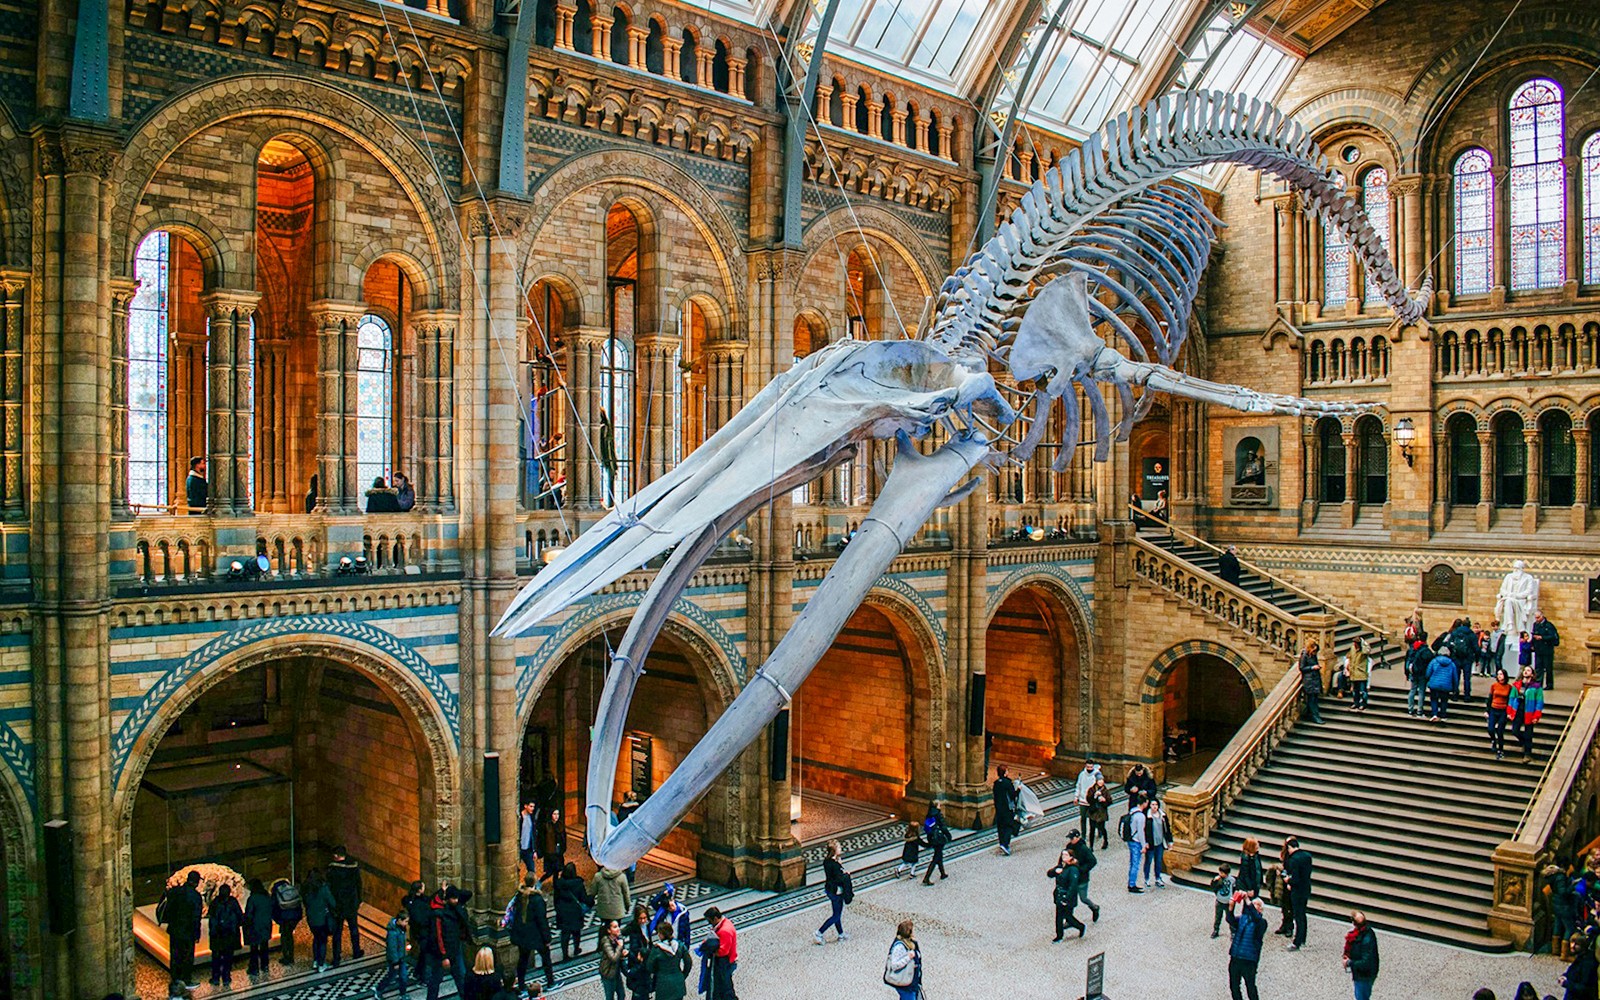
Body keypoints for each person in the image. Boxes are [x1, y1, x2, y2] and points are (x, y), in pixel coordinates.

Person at [505, 874, 554, 991]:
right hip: (536, 935)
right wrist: (547, 938)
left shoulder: (519, 896)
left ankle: (521, 984)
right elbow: (542, 920)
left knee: (523, 959)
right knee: (546, 958)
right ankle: (550, 982)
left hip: (522, 934)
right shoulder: (537, 899)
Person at [423, 884, 473, 1000]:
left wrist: (449, 891)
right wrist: (444, 956)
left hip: (455, 949)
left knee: (461, 977)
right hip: (441, 953)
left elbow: (468, 894)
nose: (456, 900)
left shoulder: (456, 907)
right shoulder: (439, 914)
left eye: (457, 898)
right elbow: (438, 936)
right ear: (447, 899)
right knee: (436, 979)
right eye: (453, 898)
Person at [159, 871, 204, 989]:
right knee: (187, 956)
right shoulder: (195, 896)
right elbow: (196, 917)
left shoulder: (175, 891)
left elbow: (168, 907)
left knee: (175, 955)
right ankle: (186, 979)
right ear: (196, 882)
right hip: (188, 931)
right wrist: (197, 933)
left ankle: (175, 978)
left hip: (175, 928)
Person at [1225, 892, 1267, 1000]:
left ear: (1260, 910)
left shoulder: (1262, 923)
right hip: (1236, 956)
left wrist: (1248, 900)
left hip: (1249, 960)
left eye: (1255, 905)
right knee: (1234, 986)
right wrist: (1231, 907)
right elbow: (1231, 920)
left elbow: (1256, 918)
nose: (1252, 906)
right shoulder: (1242, 918)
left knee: (1250, 987)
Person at [327, 845, 364, 966]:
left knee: (337, 932)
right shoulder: (353, 867)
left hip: (338, 905)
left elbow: (330, 888)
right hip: (351, 903)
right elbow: (359, 884)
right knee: (354, 928)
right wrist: (359, 899)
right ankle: (356, 951)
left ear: (337, 856)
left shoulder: (333, 870)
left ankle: (337, 957)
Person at [815, 839, 853, 944]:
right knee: (836, 915)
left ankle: (841, 934)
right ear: (834, 850)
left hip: (830, 889)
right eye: (839, 847)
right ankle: (819, 932)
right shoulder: (834, 865)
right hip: (836, 891)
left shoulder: (827, 862)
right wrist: (846, 874)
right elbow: (838, 878)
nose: (841, 849)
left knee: (837, 913)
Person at [207, 882, 244, 987]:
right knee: (228, 957)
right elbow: (240, 917)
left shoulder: (215, 903)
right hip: (230, 934)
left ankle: (215, 977)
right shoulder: (233, 902)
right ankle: (226, 977)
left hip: (217, 935)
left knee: (216, 957)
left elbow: (212, 918)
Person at [553, 862, 592, 959]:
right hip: (575, 912)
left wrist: (558, 909)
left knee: (565, 934)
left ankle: (565, 954)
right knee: (576, 932)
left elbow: (555, 899)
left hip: (563, 912)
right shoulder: (578, 883)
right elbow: (583, 898)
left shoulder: (559, 884)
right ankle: (576, 949)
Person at [646, 921, 693, 1000]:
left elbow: (649, 966)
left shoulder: (657, 949)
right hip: (678, 980)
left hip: (663, 982)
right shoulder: (680, 946)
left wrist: (657, 971)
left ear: (661, 934)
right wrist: (683, 975)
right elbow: (688, 962)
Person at [1046, 848, 1087, 940]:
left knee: (1068, 917)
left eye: (1066, 855)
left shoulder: (1073, 869)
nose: (1063, 857)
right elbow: (1049, 874)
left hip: (1068, 897)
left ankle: (1080, 926)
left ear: (1071, 857)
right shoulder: (1060, 867)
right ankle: (1059, 935)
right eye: (1062, 855)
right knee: (1059, 917)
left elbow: (1073, 885)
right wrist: (1055, 871)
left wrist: (1067, 898)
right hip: (1059, 895)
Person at [302, 868, 337, 972]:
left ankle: (316, 961)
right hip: (322, 919)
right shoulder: (323, 888)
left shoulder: (305, 888)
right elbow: (332, 902)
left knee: (316, 938)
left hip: (311, 919)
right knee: (322, 941)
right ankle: (321, 964)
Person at [590, 866, 633, 950]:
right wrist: (627, 906)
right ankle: (615, 946)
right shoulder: (622, 877)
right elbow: (626, 894)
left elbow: (592, 892)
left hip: (604, 909)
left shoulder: (598, 876)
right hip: (617, 909)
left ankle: (602, 945)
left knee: (604, 928)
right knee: (616, 929)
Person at [1282, 836, 1313, 950]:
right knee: (1302, 914)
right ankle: (1302, 937)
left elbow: (1295, 878)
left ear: (1290, 847)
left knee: (1298, 915)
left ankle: (1297, 941)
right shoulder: (1307, 856)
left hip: (1297, 890)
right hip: (1306, 888)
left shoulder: (1293, 859)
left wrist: (1288, 880)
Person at [1511, 664, 1545, 763]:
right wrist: (1510, 711)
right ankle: (1524, 743)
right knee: (1515, 730)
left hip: (1529, 711)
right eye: (1525, 670)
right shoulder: (1517, 684)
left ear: (1532, 674)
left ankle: (1527, 754)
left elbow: (1539, 702)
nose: (1525, 672)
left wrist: (1537, 715)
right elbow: (1512, 698)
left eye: (1528, 670)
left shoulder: (1536, 687)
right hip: (1519, 710)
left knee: (1528, 733)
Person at [1065, 829, 1101, 922]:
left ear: (1078, 837)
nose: (1071, 840)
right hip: (1072, 877)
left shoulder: (1084, 849)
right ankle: (1069, 919)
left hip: (1082, 878)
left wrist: (1082, 869)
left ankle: (1094, 907)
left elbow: (1092, 861)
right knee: (1071, 898)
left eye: (1072, 838)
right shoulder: (1069, 847)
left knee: (1083, 898)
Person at [704, 907, 739, 1000]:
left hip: (724, 962)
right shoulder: (725, 923)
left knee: (725, 986)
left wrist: (711, 951)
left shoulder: (724, 931)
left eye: (710, 921)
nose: (709, 924)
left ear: (715, 918)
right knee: (724, 984)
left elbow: (723, 952)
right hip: (728, 960)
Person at [1343, 911, 1379, 1000]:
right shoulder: (1366, 933)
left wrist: (1349, 962)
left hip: (1364, 975)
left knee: (1361, 997)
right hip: (1365, 973)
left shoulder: (1363, 938)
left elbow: (1365, 962)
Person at [374, 911, 410, 999]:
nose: (407, 924)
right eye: (405, 921)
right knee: (391, 977)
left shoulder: (401, 929)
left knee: (403, 977)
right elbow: (392, 948)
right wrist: (395, 962)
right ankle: (379, 989)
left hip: (401, 958)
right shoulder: (392, 933)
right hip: (395, 960)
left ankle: (403, 994)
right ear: (399, 920)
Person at [1547, 863, 1579, 960]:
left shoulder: (1553, 876)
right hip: (1563, 905)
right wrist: (1572, 886)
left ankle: (1555, 949)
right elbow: (1563, 892)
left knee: (1558, 924)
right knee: (1569, 928)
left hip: (1556, 903)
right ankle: (1565, 954)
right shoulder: (1560, 877)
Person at [269, 876, 303, 967]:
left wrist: (277, 920)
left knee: (284, 937)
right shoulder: (291, 889)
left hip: (284, 918)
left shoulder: (276, 892)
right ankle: (291, 956)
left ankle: (286, 957)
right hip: (294, 917)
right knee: (290, 936)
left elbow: (273, 907)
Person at [243, 877, 274, 976]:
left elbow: (249, 913)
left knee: (254, 948)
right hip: (266, 924)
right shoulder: (266, 896)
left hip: (255, 926)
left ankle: (254, 968)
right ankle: (265, 965)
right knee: (264, 946)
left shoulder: (253, 898)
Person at [883, 919, 921, 1000]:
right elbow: (894, 965)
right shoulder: (899, 946)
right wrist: (908, 957)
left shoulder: (910, 943)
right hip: (905, 983)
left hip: (911, 982)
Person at [403, 879, 432, 979]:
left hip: (420, 931)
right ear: (419, 890)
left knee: (423, 953)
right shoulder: (416, 904)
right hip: (422, 932)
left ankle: (418, 972)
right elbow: (419, 919)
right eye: (423, 887)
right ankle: (422, 976)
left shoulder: (416, 900)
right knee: (424, 953)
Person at [624, 904, 653, 1000]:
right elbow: (634, 947)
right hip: (638, 959)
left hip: (646, 958)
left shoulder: (647, 925)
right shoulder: (633, 929)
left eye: (645, 918)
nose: (643, 921)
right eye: (640, 918)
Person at [920, 803, 951, 885]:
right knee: (936, 858)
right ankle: (926, 878)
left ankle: (942, 873)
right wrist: (948, 835)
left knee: (939, 855)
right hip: (939, 838)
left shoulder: (929, 814)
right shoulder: (938, 814)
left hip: (932, 838)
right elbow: (943, 827)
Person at [1425, 648, 1458, 722]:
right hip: (1446, 685)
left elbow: (1428, 673)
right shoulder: (1452, 664)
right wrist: (1455, 688)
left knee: (1434, 699)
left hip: (1434, 684)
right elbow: (1455, 677)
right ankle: (1443, 715)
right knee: (1444, 700)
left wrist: (1428, 680)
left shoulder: (1434, 661)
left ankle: (1434, 714)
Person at [1562, 933, 1598, 1000]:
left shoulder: (1588, 963)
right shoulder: (1579, 959)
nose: (1572, 946)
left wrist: (1566, 983)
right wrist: (1564, 976)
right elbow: (1570, 972)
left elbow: (1584, 988)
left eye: (1576, 944)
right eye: (1572, 942)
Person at [993, 764, 1020, 855]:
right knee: (1008, 826)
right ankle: (1005, 844)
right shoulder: (1008, 783)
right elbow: (1012, 795)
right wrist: (1018, 790)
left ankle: (1002, 842)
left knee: (1000, 826)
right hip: (1007, 808)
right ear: (1005, 773)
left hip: (999, 809)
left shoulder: (996, 783)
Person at [1144, 798, 1171, 888]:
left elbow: (1167, 829)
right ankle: (1147, 878)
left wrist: (1169, 841)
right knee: (1148, 861)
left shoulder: (1163, 816)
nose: (1154, 806)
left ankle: (1158, 878)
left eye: (1156, 804)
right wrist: (1145, 842)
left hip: (1160, 842)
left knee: (1158, 861)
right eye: (1152, 805)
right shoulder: (1147, 817)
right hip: (1151, 842)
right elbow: (1145, 830)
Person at [1487, 668, 1513, 759]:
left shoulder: (1509, 687)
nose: (1499, 676)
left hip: (1503, 710)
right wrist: (1487, 710)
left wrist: (1510, 712)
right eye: (1498, 674)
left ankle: (1500, 750)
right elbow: (1490, 698)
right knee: (1490, 728)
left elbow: (1511, 700)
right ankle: (1493, 740)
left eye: (1501, 674)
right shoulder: (1494, 686)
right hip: (1494, 709)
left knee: (1500, 731)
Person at [598, 919, 626, 1000]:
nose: (618, 929)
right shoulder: (605, 941)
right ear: (609, 930)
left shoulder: (617, 938)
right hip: (608, 973)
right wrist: (620, 947)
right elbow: (613, 958)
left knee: (621, 994)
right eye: (615, 927)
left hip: (616, 971)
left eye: (618, 926)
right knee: (610, 997)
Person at [1123, 797, 1147, 893]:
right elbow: (1141, 832)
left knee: (1132, 862)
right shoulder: (1140, 816)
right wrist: (1144, 845)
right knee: (1135, 864)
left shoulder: (1132, 812)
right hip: (1136, 841)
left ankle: (1131, 882)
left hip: (1130, 839)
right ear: (1144, 803)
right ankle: (1132, 884)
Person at [1297, 639, 1323, 724]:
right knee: (1312, 699)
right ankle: (1315, 716)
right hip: (1309, 681)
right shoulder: (1304, 655)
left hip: (1315, 679)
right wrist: (1312, 668)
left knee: (1314, 698)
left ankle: (1311, 714)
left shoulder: (1313, 655)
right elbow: (1301, 668)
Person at [1533, 611, 1561, 690]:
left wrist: (1542, 637)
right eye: (1536, 618)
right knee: (1538, 668)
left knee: (1548, 668)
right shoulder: (1535, 625)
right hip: (1538, 650)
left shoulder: (1549, 625)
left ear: (1542, 616)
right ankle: (1538, 683)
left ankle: (1549, 684)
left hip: (1547, 650)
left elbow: (1552, 636)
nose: (1537, 619)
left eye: (1538, 617)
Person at [540, 807, 569, 879]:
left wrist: (563, 847)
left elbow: (563, 837)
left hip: (558, 850)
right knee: (551, 870)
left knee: (558, 869)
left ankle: (556, 885)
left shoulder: (560, 825)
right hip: (550, 851)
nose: (556, 816)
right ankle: (540, 881)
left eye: (557, 814)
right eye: (554, 814)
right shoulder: (547, 825)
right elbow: (543, 839)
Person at [1086, 774, 1113, 849]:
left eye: (1102, 780)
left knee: (1102, 828)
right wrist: (1094, 796)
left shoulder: (1105, 790)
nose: (1101, 782)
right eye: (1099, 780)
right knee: (1092, 829)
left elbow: (1110, 801)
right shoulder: (1092, 789)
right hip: (1093, 812)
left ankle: (1105, 841)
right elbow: (1088, 800)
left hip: (1101, 812)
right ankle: (1091, 846)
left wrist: (1104, 800)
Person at [1210, 863, 1237, 938]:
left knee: (1230, 917)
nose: (1220, 874)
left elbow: (1235, 890)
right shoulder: (1218, 879)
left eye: (1222, 873)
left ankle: (1233, 931)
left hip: (1228, 902)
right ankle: (1216, 930)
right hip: (1220, 900)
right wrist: (1214, 881)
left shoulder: (1232, 880)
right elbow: (1212, 886)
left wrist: (1233, 899)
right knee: (1218, 916)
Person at [1073, 760, 1099, 838]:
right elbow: (1079, 786)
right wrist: (1076, 797)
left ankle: (1095, 832)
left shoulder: (1096, 775)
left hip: (1092, 800)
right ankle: (1083, 834)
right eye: (1088, 767)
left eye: (1091, 767)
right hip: (1083, 800)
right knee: (1083, 818)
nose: (1089, 768)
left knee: (1093, 818)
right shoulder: (1082, 775)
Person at [1405, 639, 1428, 717]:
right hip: (1422, 674)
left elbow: (1407, 662)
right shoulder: (1425, 650)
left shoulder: (1411, 650)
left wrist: (1407, 673)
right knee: (1421, 692)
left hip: (1413, 673)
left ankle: (1410, 709)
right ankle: (1419, 710)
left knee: (1412, 690)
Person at [1348, 637, 1371, 711]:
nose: (1354, 645)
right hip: (1354, 673)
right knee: (1355, 691)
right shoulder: (1352, 648)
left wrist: (1364, 644)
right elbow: (1350, 658)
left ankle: (1363, 704)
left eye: (1356, 643)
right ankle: (1356, 703)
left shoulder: (1364, 649)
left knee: (1363, 691)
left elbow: (1366, 652)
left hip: (1361, 673)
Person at [518, 800, 537, 874]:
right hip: (519, 848)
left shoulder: (531, 817)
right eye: (531, 806)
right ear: (525, 806)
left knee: (532, 870)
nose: (532, 808)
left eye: (533, 807)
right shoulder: (520, 818)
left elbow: (533, 834)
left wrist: (534, 850)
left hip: (528, 849)